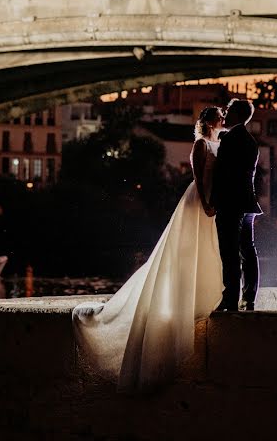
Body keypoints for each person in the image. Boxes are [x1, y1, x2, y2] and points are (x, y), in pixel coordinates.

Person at [72, 107, 227, 390]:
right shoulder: (201, 145)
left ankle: (204, 296)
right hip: (199, 202)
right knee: (188, 251)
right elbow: (199, 177)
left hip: (212, 202)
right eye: (219, 115)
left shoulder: (220, 142)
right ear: (207, 121)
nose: (224, 118)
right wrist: (206, 204)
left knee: (207, 251)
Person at [211, 99, 263, 313]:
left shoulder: (230, 139)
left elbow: (222, 174)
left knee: (229, 252)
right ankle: (248, 298)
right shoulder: (251, 141)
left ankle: (230, 299)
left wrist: (213, 200)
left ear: (237, 114)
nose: (225, 113)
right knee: (248, 252)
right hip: (248, 203)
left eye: (228, 110)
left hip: (231, 204)